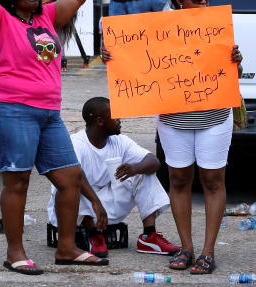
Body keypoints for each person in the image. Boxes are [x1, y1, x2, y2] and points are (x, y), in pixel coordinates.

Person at [0, 0, 108, 275]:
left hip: (48, 113)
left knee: (70, 178)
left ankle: (67, 248)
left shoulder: (46, 15)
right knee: (18, 183)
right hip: (10, 109)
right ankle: (15, 253)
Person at [150, 0, 242, 276]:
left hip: (214, 115)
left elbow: (233, 75)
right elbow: (137, 66)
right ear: (178, 1)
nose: (204, 3)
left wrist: (236, 62)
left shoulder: (217, 28)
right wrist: (113, 56)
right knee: (177, 179)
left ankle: (208, 251)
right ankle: (186, 247)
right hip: (174, 117)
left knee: (213, 179)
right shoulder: (156, 30)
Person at [48, 97, 177, 258]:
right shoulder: (76, 143)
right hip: (73, 212)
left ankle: (148, 237)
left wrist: (135, 168)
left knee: (144, 173)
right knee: (71, 183)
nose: (119, 119)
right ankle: (94, 236)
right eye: (115, 115)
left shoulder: (119, 141)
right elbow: (73, 177)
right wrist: (96, 202)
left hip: (105, 206)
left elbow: (154, 161)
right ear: (100, 121)